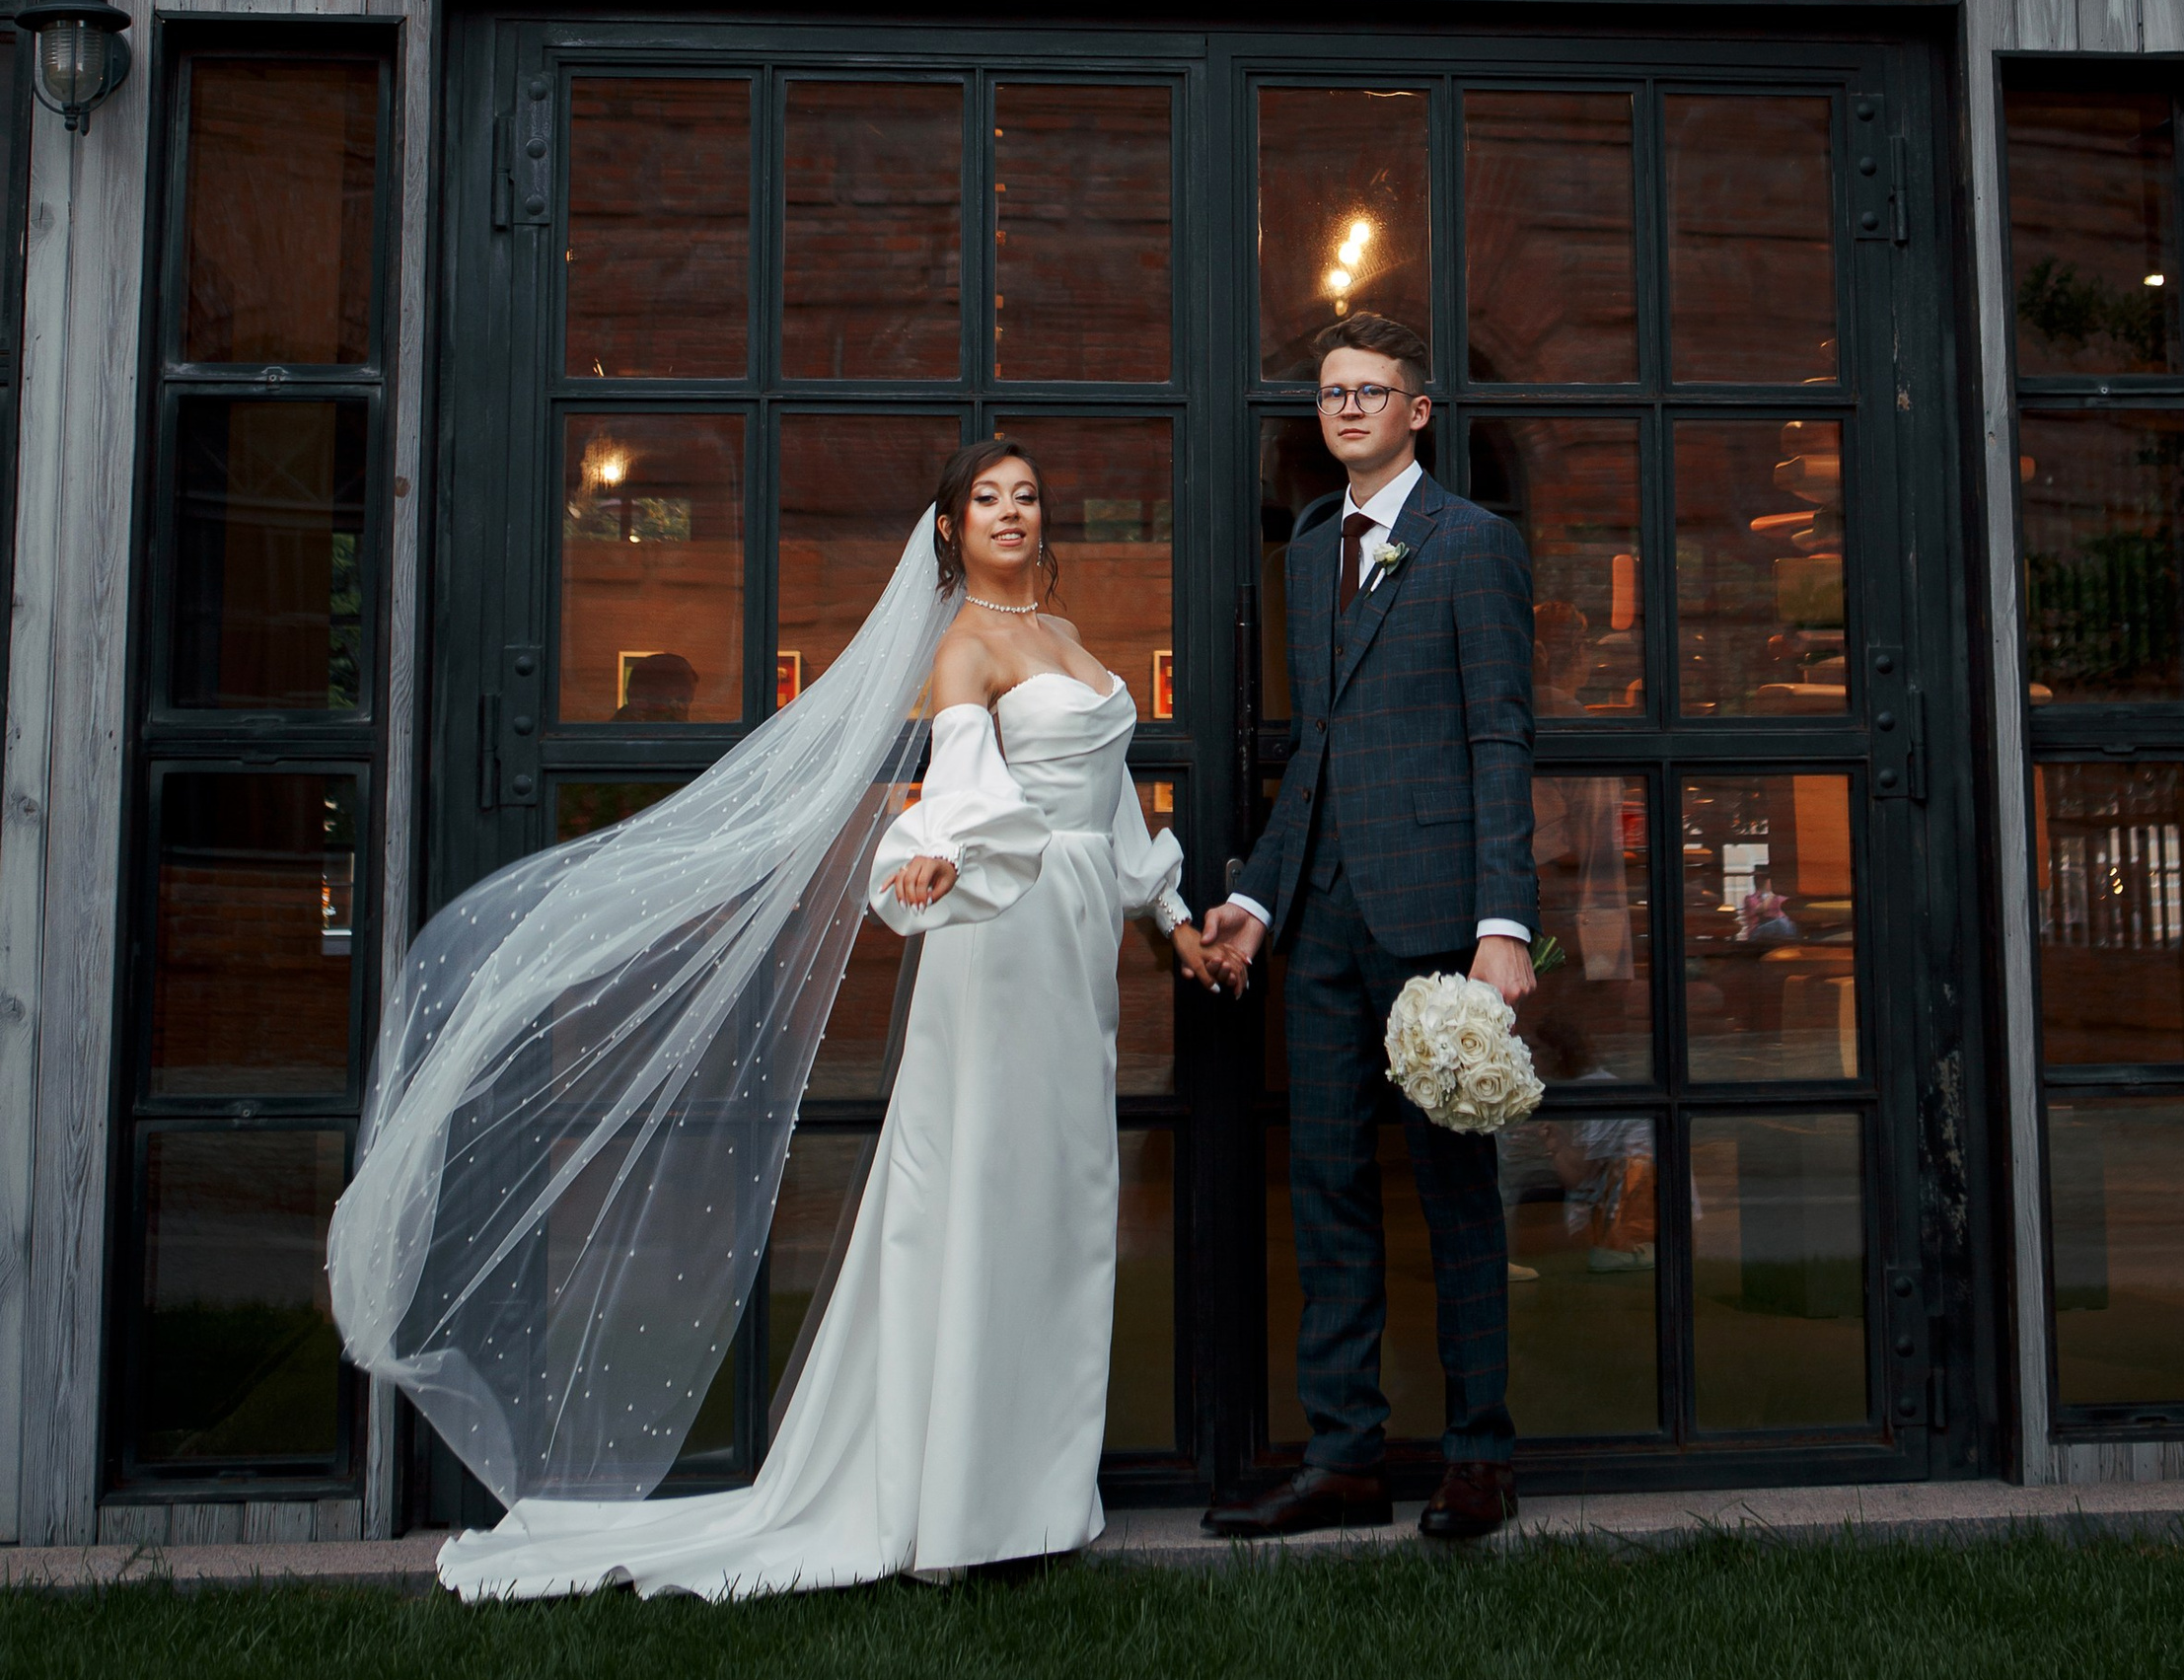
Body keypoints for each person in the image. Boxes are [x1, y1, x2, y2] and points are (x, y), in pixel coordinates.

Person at [335, 442, 1217, 1599]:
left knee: (1063, 1202)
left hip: (1075, 951)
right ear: (948, 530)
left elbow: (1107, 802)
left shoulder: (1063, 637)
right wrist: (934, 861)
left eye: (1027, 496)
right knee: (977, 1201)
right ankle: (954, 1511)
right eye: (985, 500)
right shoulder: (966, 648)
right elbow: (956, 790)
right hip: (996, 941)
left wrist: (1178, 916)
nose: (1010, 512)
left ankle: (1038, 1494)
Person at [1199, 315, 1536, 1544]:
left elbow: (1500, 737)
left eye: (1370, 392)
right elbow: (1319, 749)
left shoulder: (1472, 544)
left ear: (1418, 411)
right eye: (1331, 393)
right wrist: (1259, 898)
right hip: (1327, 927)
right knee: (1329, 1189)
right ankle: (1344, 1458)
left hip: (1439, 916)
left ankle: (1476, 1461)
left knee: (1453, 1196)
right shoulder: (1304, 549)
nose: (1346, 409)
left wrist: (1505, 925)